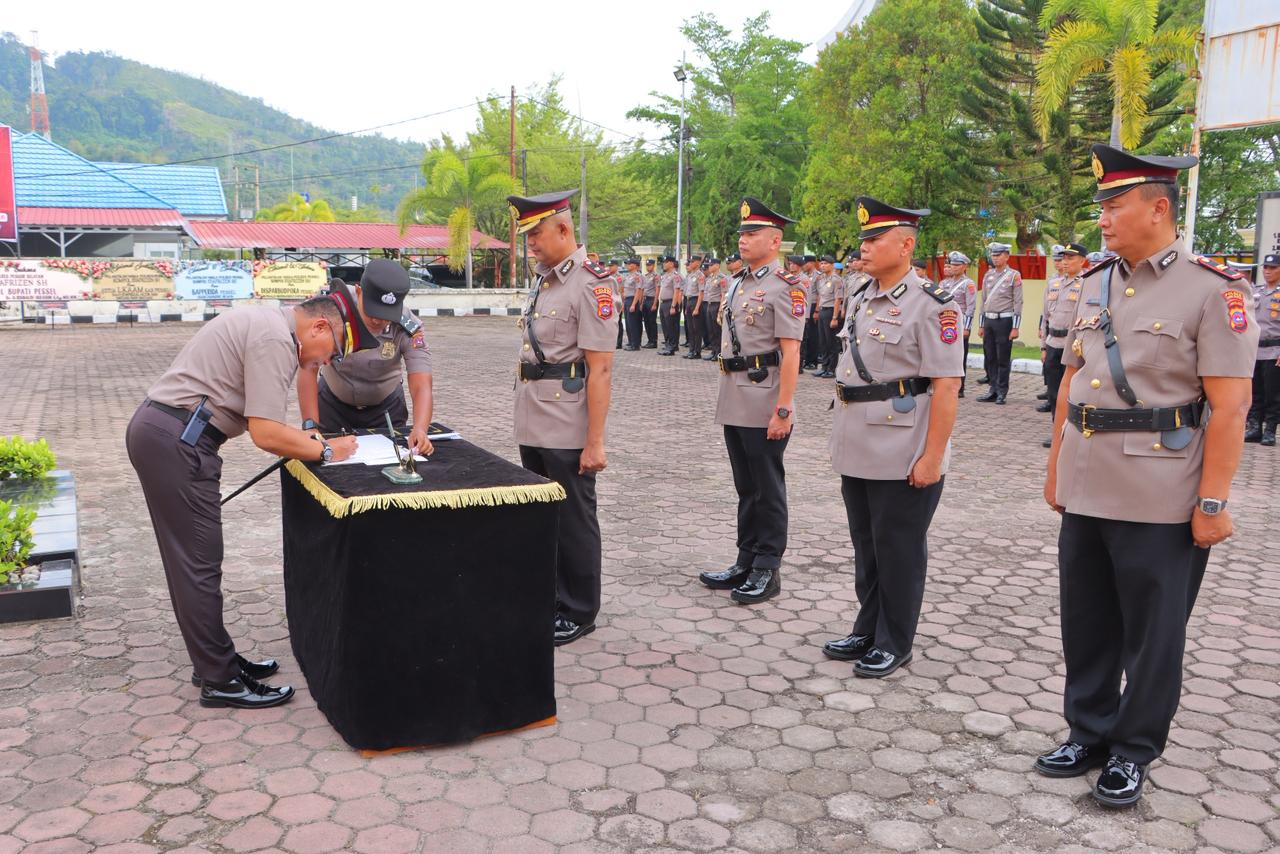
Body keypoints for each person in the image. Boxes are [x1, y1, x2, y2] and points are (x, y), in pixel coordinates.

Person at [1039, 144, 1256, 808]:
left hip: (1162, 490)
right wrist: (1055, 469)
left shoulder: (1212, 292)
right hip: (1088, 479)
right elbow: (1073, 382)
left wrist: (1213, 500)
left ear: (1158, 208)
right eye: (1101, 205)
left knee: (1153, 634)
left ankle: (1133, 750)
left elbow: (1230, 406)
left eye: (1115, 205)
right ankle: (1088, 729)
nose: (1102, 218)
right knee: (1087, 620)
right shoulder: (1095, 282)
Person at [127, 297, 365, 709]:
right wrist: (327, 452)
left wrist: (310, 440)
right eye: (336, 349)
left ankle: (214, 661)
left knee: (194, 563)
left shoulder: (271, 323)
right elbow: (266, 434)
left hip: (171, 435)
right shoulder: (275, 337)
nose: (330, 361)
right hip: (177, 441)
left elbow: (267, 423)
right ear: (321, 328)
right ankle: (219, 680)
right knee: (198, 566)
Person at [822, 197, 962, 678]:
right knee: (867, 543)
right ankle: (868, 626)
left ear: (906, 245)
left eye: (875, 238)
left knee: (898, 547)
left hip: (903, 446)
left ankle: (895, 639)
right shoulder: (863, 295)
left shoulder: (933, 306)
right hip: (858, 441)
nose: (865, 246)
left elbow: (946, 387)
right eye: (863, 238)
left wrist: (933, 457)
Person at [508, 190, 616, 647]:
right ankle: (551, 596)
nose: (529, 243)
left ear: (564, 230)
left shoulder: (592, 283)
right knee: (541, 514)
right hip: (534, 414)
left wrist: (595, 441)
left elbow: (601, 369)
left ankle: (579, 608)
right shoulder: (545, 280)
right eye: (527, 235)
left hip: (567, 421)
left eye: (535, 234)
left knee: (572, 515)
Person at [699, 197, 804, 605]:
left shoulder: (787, 288)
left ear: (775, 241)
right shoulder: (740, 282)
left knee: (767, 486)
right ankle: (745, 559)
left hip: (765, 396)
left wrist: (784, 407)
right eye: (742, 232)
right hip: (735, 394)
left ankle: (767, 567)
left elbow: (791, 352)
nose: (743, 239)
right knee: (746, 485)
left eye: (752, 233)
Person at [297, 263, 435, 454]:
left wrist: (420, 428)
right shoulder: (332, 310)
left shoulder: (408, 325)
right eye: (373, 312)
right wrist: (310, 426)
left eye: (387, 315)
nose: (379, 321)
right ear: (360, 292)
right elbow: (308, 367)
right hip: (331, 406)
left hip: (386, 410)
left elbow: (421, 382)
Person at [1038, 244, 1086, 446]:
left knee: (1072, 391)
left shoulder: (1086, 283)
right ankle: (1057, 429)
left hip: (1072, 345)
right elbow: (1045, 318)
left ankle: (1071, 431)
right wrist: (1043, 347)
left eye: (1071, 258)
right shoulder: (1054, 283)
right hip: (1052, 343)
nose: (1065, 262)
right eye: (1063, 258)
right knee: (1054, 391)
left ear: (1082, 261)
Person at [977, 243, 1023, 404]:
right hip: (989, 320)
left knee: (1002, 358)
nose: (995, 258)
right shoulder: (988, 275)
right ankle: (992, 389)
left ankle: (1002, 391)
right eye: (994, 255)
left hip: (1004, 321)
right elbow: (983, 301)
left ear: (1007, 256)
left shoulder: (1013, 275)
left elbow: (1018, 302)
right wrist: (981, 324)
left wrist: (1015, 327)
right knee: (990, 357)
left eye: (999, 255)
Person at [1245, 254, 1280, 445]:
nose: (1267, 271)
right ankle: (1254, 428)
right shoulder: (1255, 291)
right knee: (1254, 392)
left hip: (1275, 351)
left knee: (1272, 393)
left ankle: (1270, 431)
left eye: (1273, 267)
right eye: (1266, 267)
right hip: (1254, 350)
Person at [938, 251, 976, 397]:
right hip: (944, 322)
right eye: (952, 264)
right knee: (943, 354)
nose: (953, 267)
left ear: (964, 266)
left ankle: (960, 387)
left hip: (959, 324)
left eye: (956, 265)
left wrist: (967, 327)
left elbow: (970, 307)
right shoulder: (944, 283)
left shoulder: (968, 284)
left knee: (960, 356)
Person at [813, 254, 843, 378]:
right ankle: (824, 366)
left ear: (832, 265)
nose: (823, 266)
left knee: (831, 342)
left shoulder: (836, 280)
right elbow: (820, 296)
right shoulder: (821, 279)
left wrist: (835, 318)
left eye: (825, 264)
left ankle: (831, 368)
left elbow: (838, 299)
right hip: (823, 311)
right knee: (823, 341)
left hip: (831, 311)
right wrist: (817, 310)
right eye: (821, 263)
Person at [680, 255, 706, 359]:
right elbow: (686, 292)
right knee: (690, 328)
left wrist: (696, 308)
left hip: (696, 301)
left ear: (698, 263)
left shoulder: (700, 276)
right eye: (690, 262)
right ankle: (691, 350)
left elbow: (701, 292)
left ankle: (697, 352)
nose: (690, 263)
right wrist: (686, 306)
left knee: (696, 328)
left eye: (692, 261)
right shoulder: (690, 275)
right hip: (689, 300)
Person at [701, 257, 726, 361]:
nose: (709, 267)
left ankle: (719, 353)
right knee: (710, 330)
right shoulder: (710, 278)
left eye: (711, 265)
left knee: (717, 330)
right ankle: (713, 351)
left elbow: (723, 294)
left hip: (717, 305)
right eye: (709, 265)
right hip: (709, 305)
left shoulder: (722, 278)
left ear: (717, 265)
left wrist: (721, 309)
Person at [658, 256, 681, 355]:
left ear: (671, 263)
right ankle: (668, 344)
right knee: (665, 326)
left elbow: (677, 291)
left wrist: (673, 306)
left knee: (671, 326)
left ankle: (672, 346)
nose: (664, 264)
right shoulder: (665, 275)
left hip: (670, 303)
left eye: (666, 262)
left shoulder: (675, 276)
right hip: (663, 303)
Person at [622, 258, 644, 350]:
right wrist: (623, 304)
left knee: (634, 323)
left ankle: (635, 344)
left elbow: (638, 291)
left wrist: (634, 304)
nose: (627, 265)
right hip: (627, 300)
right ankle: (631, 342)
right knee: (628, 323)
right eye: (627, 264)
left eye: (629, 264)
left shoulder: (637, 276)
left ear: (635, 265)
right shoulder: (628, 276)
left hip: (632, 300)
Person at [641, 258, 660, 348]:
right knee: (647, 321)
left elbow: (657, 290)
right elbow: (643, 289)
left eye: (650, 265)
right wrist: (641, 303)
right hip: (645, 300)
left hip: (652, 299)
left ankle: (654, 341)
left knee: (652, 322)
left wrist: (655, 303)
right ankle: (649, 340)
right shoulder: (645, 276)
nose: (648, 267)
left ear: (653, 265)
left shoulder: (656, 276)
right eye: (647, 265)